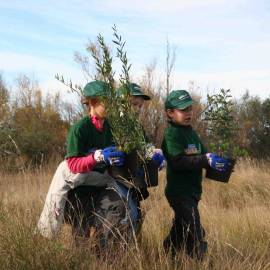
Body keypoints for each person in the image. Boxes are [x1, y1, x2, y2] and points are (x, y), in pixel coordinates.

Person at [37, 80, 125, 238]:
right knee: (80, 237)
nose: (111, 105)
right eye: (106, 101)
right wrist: (96, 157)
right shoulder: (80, 129)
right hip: (78, 189)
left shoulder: (111, 129)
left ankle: (102, 252)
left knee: (117, 207)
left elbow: (113, 159)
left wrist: (116, 161)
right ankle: (50, 242)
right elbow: (72, 165)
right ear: (92, 102)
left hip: (100, 186)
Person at [161, 90, 230, 260]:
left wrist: (217, 162)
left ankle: (169, 248)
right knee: (195, 231)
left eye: (189, 109)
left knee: (182, 227)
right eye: (183, 110)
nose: (188, 113)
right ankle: (199, 261)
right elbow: (177, 162)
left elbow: (204, 156)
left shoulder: (192, 133)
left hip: (193, 192)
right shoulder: (172, 134)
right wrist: (205, 160)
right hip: (179, 192)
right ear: (170, 113)